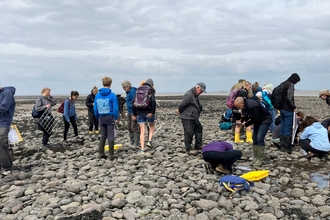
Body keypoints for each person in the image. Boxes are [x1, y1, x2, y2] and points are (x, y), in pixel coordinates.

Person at [234, 96, 272, 166]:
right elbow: (246, 116)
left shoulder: (252, 105)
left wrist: (246, 124)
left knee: (259, 138)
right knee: (254, 139)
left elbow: (255, 118)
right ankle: (256, 157)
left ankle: (260, 159)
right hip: (258, 121)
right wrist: (242, 121)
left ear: (242, 103)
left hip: (265, 120)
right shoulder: (244, 106)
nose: (238, 108)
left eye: (239, 107)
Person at [176, 82, 206, 155]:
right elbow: (182, 104)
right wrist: (179, 110)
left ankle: (198, 145)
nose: (201, 92)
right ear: (197, 87)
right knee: (189, 132)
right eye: (201, 90)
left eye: (202, 91)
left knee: (199, 128)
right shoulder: (189, 94)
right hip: (187, 116)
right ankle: (188, 148)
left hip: (193, 117)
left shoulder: (195, 94)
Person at [94, 77, 119, 160]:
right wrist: (116, 117)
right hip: (110, 116)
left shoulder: (97, 95)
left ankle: (101, 153)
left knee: (103, 135)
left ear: (102, 83)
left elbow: (95, 108)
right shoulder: (112, 95)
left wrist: (98, 116)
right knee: (111, 134)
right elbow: (115, 108)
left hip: (101, 116)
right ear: (110, 84)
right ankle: (111, 154)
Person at [132, 78, 156, 153]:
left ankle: (142, 149)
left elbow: (133, 102)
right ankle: (149, 141)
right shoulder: (150, 90)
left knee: (142, 131)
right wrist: (152, 112)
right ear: (151, 84)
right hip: (148, 112)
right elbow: (153, 101)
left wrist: (134, 113)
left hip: (139, 112)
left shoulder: (138, 89)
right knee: (152, 126)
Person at [279, 73, 301, 154]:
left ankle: (282, 146)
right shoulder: (290, 85)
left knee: (282, 127)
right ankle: (287, 147)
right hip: (288, 109)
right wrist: (293, 107)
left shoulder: (283, 84)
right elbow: (290, 97)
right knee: (288, 127)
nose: (296, 83)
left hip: (281, 108)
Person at [0, 86, 15, 176]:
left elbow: (4, 108)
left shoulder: (7, 93)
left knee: (1, 144)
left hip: (3, 123)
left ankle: (7, 168)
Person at [121, 80, 139, 146]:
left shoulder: (132, 92)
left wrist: (134, 114)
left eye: (124, 87)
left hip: (133, 112)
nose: (123, 89)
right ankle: (132, 141)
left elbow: (134, 103)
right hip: (129, 112)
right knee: (129, 127)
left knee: (134, 127)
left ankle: (135, 143)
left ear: (128, 86)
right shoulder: (128, 92)